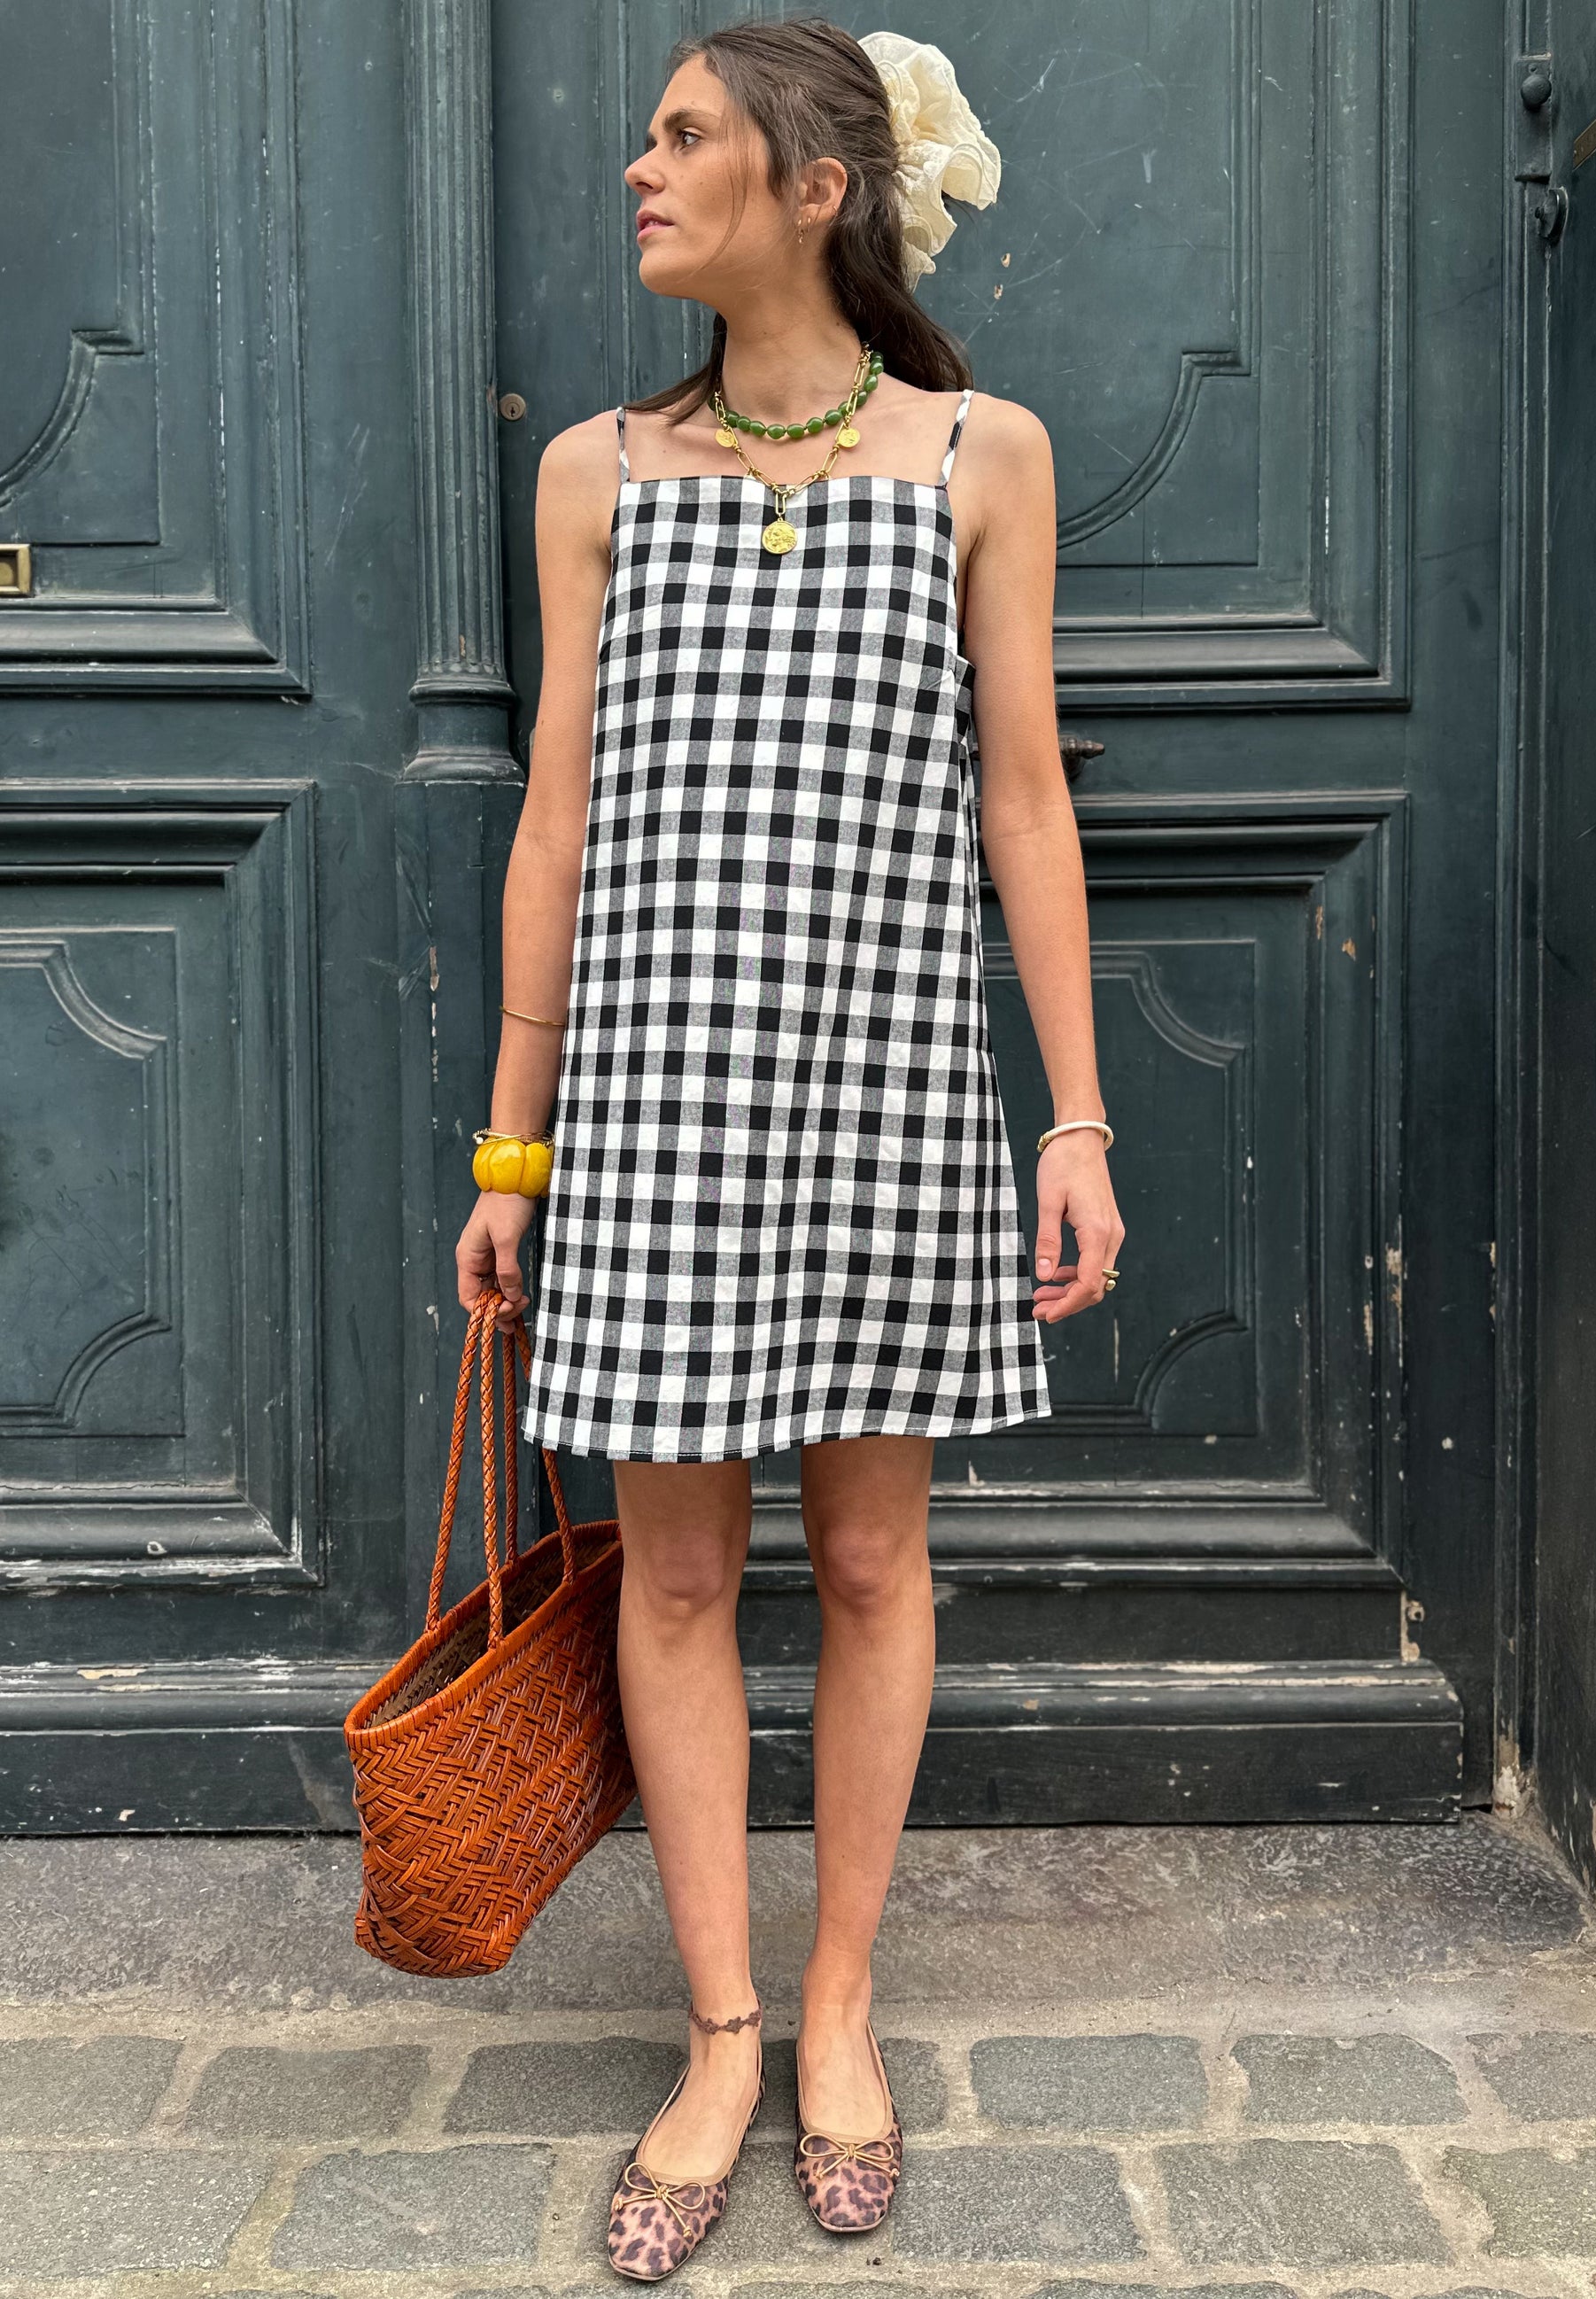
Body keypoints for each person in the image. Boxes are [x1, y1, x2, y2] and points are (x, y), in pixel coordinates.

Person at [455, 17, 1125, 2282]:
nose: (638, 171)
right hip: (651, 1106)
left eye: (684, 137)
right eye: (644, 138)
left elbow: (1023, 801)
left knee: (859, 1559)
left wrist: (1075, 1114)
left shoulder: (976, 456)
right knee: (668, 1579)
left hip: (891, 1091)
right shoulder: (597, 475)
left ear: (817, 183)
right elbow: (554, 821)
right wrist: (513, 1152)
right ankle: (721, 2028)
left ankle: (840, 2001)